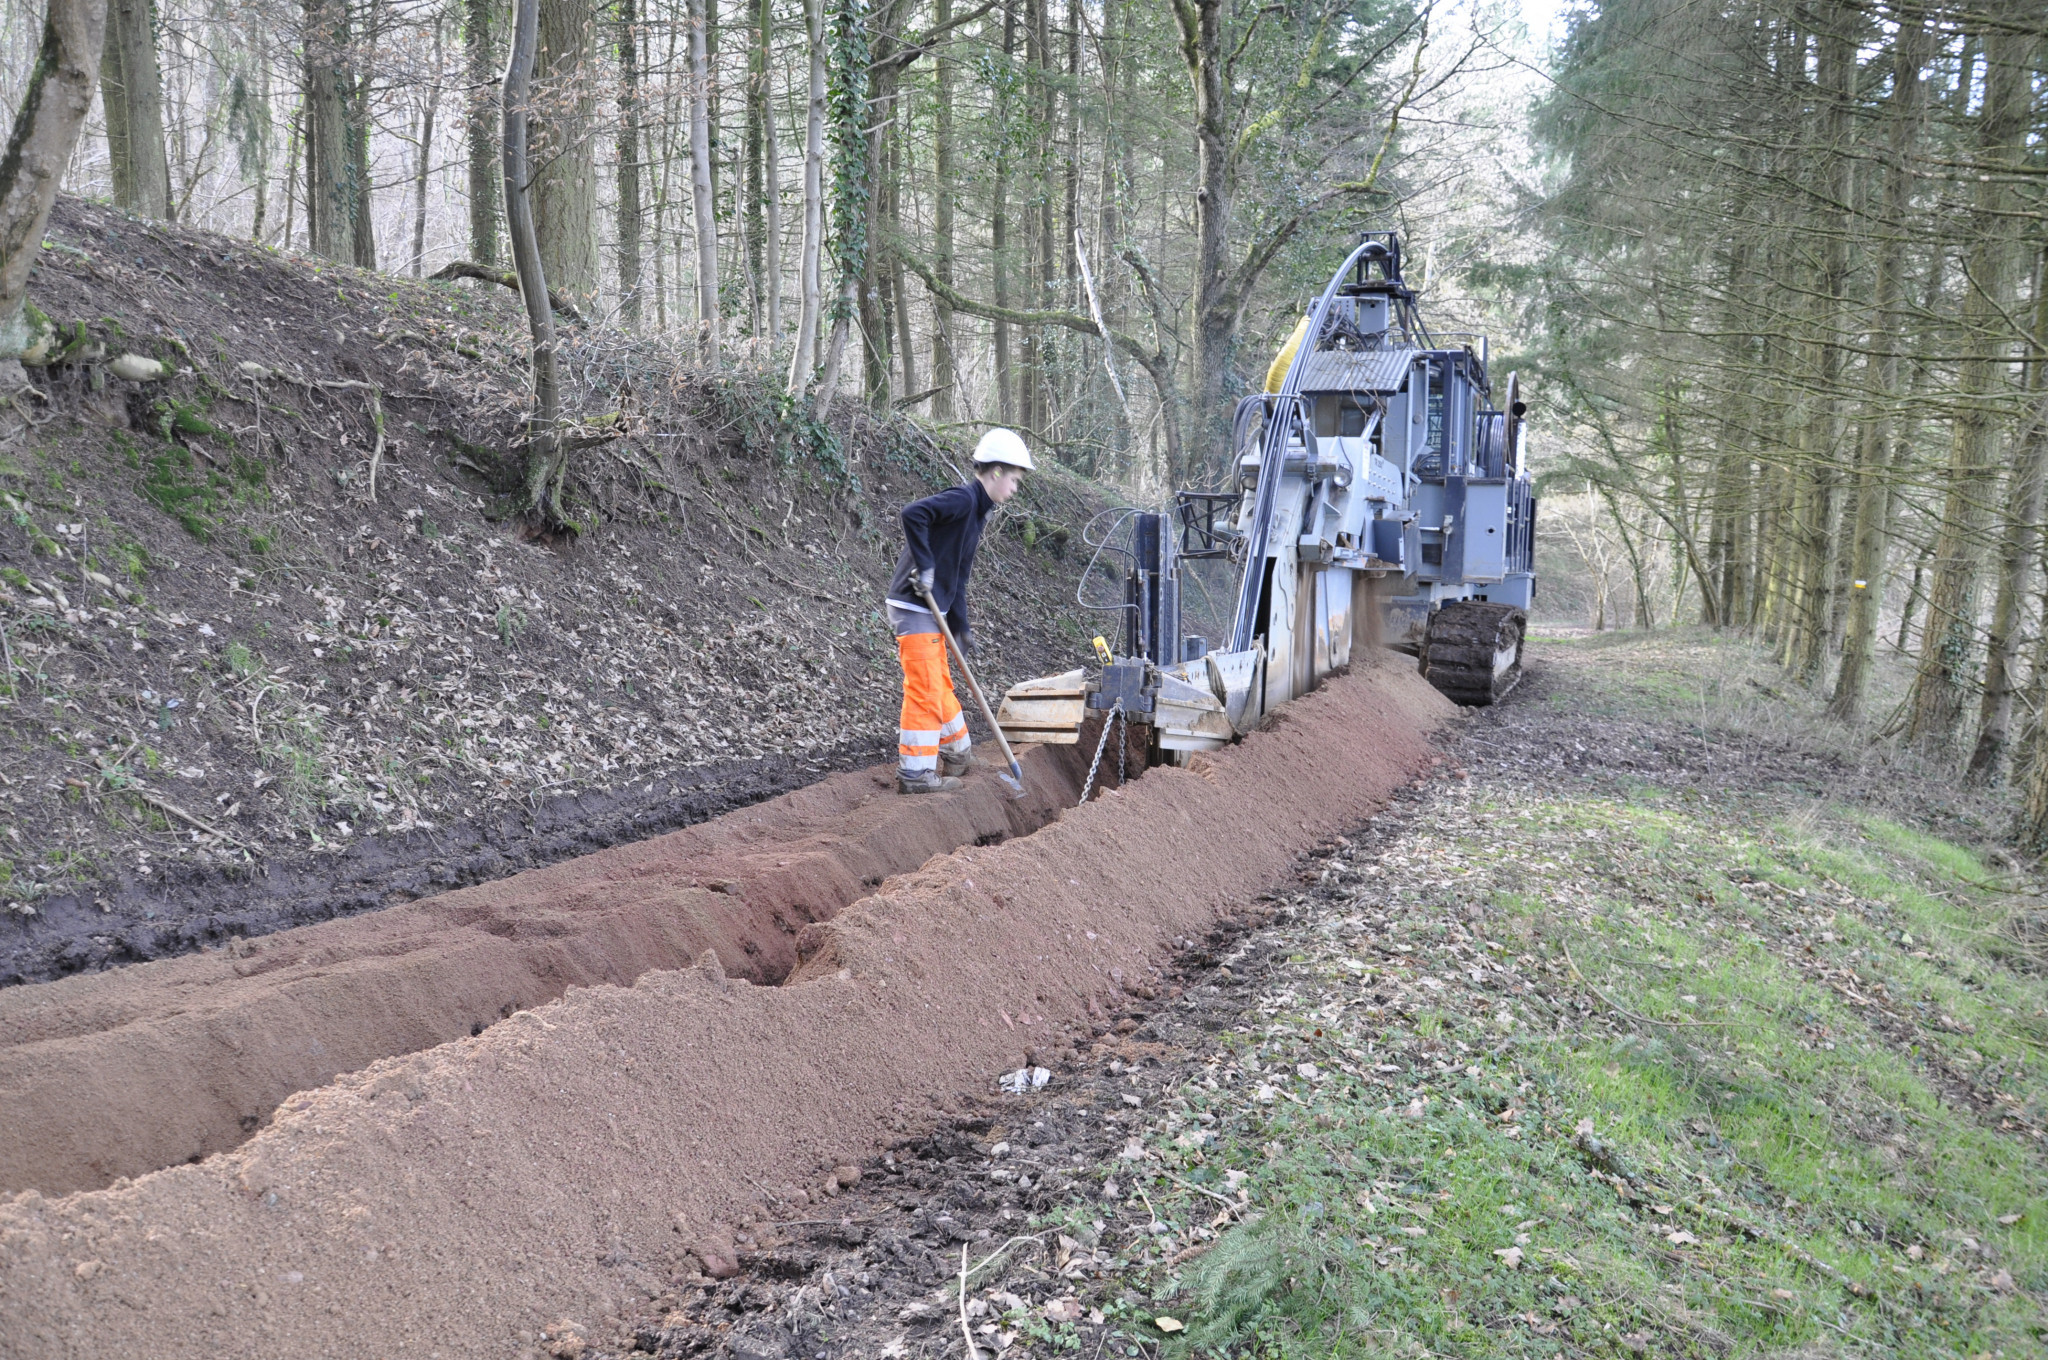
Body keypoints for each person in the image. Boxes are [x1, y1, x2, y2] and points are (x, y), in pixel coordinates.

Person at [885, 428, 1033, 793]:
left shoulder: (977, 517)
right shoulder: (963, 501)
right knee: (925, 688)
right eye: (1013, 479)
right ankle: (916, 775)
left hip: (934, 609)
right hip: (913, 604)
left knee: (942, 682)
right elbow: (912, 514)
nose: (1014, 489)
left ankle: (958, 752)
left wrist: (962, 627)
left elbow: (960, 578)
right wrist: (926, 566)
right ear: (995, 472)